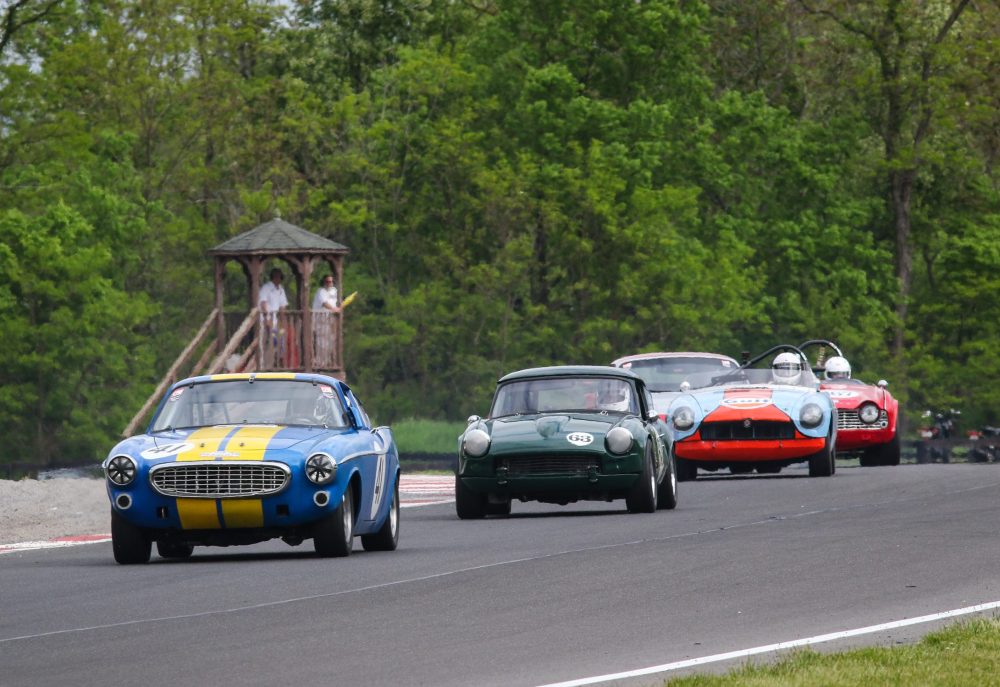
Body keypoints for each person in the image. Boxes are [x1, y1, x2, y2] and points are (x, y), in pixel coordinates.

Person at [259, 268, 289, 366]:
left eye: (280, 277)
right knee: (267, 343)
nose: (278, 278)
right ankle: (265, 365)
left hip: (276, 322)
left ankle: (278, 363)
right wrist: (267, 319)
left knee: (279, 342)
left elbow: (283, 306)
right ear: (273, 277)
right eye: (277, 276)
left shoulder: (281, 289)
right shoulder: (266, 288)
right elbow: (263, 303)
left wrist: (284, 321)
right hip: (265, 321)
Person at [312, 274, 340, 367]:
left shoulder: (334, 291)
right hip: (320, 320)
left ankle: (327, 361)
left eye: (331, 281)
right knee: (321, 341)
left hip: (330, 320)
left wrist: (336, 310)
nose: (329, 283)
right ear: (324, 282)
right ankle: (320, 362)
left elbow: (335, 303)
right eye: (327, 282)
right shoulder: (321, 291)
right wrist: (334, 309)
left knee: (330, 341)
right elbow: (324, 303)